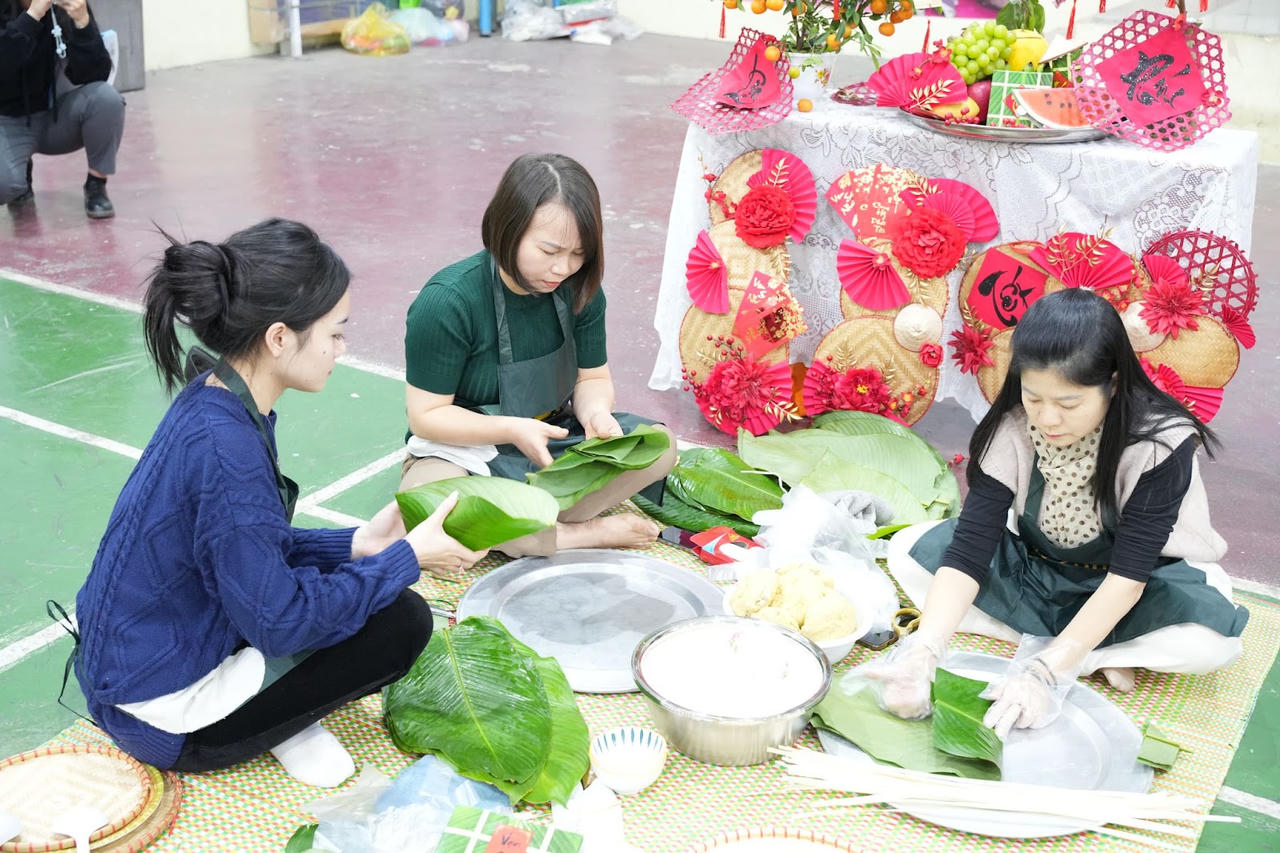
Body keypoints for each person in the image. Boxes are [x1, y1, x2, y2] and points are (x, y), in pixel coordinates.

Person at [72, 219, 486, 787]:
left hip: (131, 663)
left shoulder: (214, 396)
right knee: (401, 621)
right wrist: (405, 559)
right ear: (280, 337)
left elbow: (240, 547)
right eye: (335, 333)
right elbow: (280, 622)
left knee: (359, 587)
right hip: (163, 717)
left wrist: (356, 545)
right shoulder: (229, 452)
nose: (341, 348)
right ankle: (271, 723)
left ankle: (271, 705)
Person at [869, 289, 1248, 737]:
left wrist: (1043, 675)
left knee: (1212, 645)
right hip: (1039, 573)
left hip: (1133, 586)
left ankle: (1067, 655)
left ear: (1111, 383)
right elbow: (971, 550)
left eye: (1068, 404)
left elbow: (1128, 580)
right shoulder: (1009, 431)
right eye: (1034, 399)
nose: (1048, 419)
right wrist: (924, 650)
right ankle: (1085, 653)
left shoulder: (1157, 446)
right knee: (909, 550)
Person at [400, 152, 675, 556]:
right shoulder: (447, 302)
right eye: (549, 251)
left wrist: (595, 414)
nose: (562, 268)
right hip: (465, 450)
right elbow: (427, 417)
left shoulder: (580, 290)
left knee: (659, 445)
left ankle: (527, 527)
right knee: (434, 504)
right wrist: (512, 430)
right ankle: (579, 533)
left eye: (578, 254)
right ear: (508, 228)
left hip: (553, 439)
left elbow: (592, 379)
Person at [1, 0, 123, 218]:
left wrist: (83, 22)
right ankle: (21, 175)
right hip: (7, 121)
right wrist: (33, 16)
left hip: (55, 116)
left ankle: (96, 184)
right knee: (5, 185)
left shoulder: (64, 8)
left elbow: (95, 75)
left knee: (106, 99)